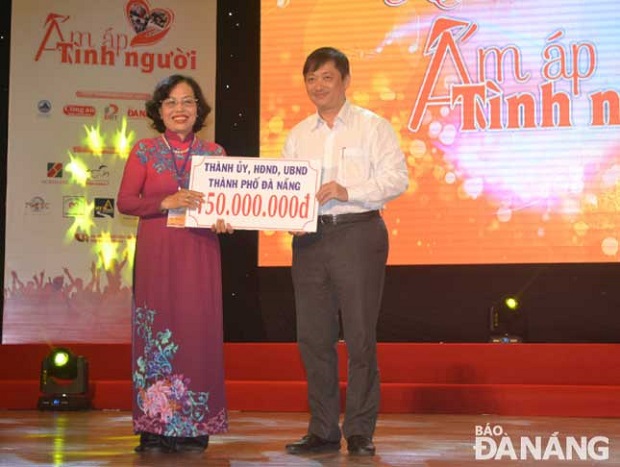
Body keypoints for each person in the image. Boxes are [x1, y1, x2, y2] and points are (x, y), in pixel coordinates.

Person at [282, 47, 409, 457]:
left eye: (326, 78)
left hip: (358, 233)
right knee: (313, 339)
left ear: (345, 80)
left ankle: (358, 430)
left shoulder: (373, 127)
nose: (317, 86)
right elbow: (282, 190)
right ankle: (321, 430)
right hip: (309, 239)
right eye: (311, 79)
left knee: (359, 337)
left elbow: (396, 179)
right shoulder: (298, 134)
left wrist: (347, 190)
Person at [117, 74, 231, 453]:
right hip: (158, 254)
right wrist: (163, 202)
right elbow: (126, 202)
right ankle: (154, 425)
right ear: (158, 110)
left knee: (199, 333)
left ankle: (196, 425)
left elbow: (225, 207)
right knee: (156, 334)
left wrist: (223, 218)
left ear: (198, 109)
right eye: (171, 102)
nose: (179, 109)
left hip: (199, 253)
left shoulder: (215, 153)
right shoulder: (144, 150)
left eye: (187, 101)